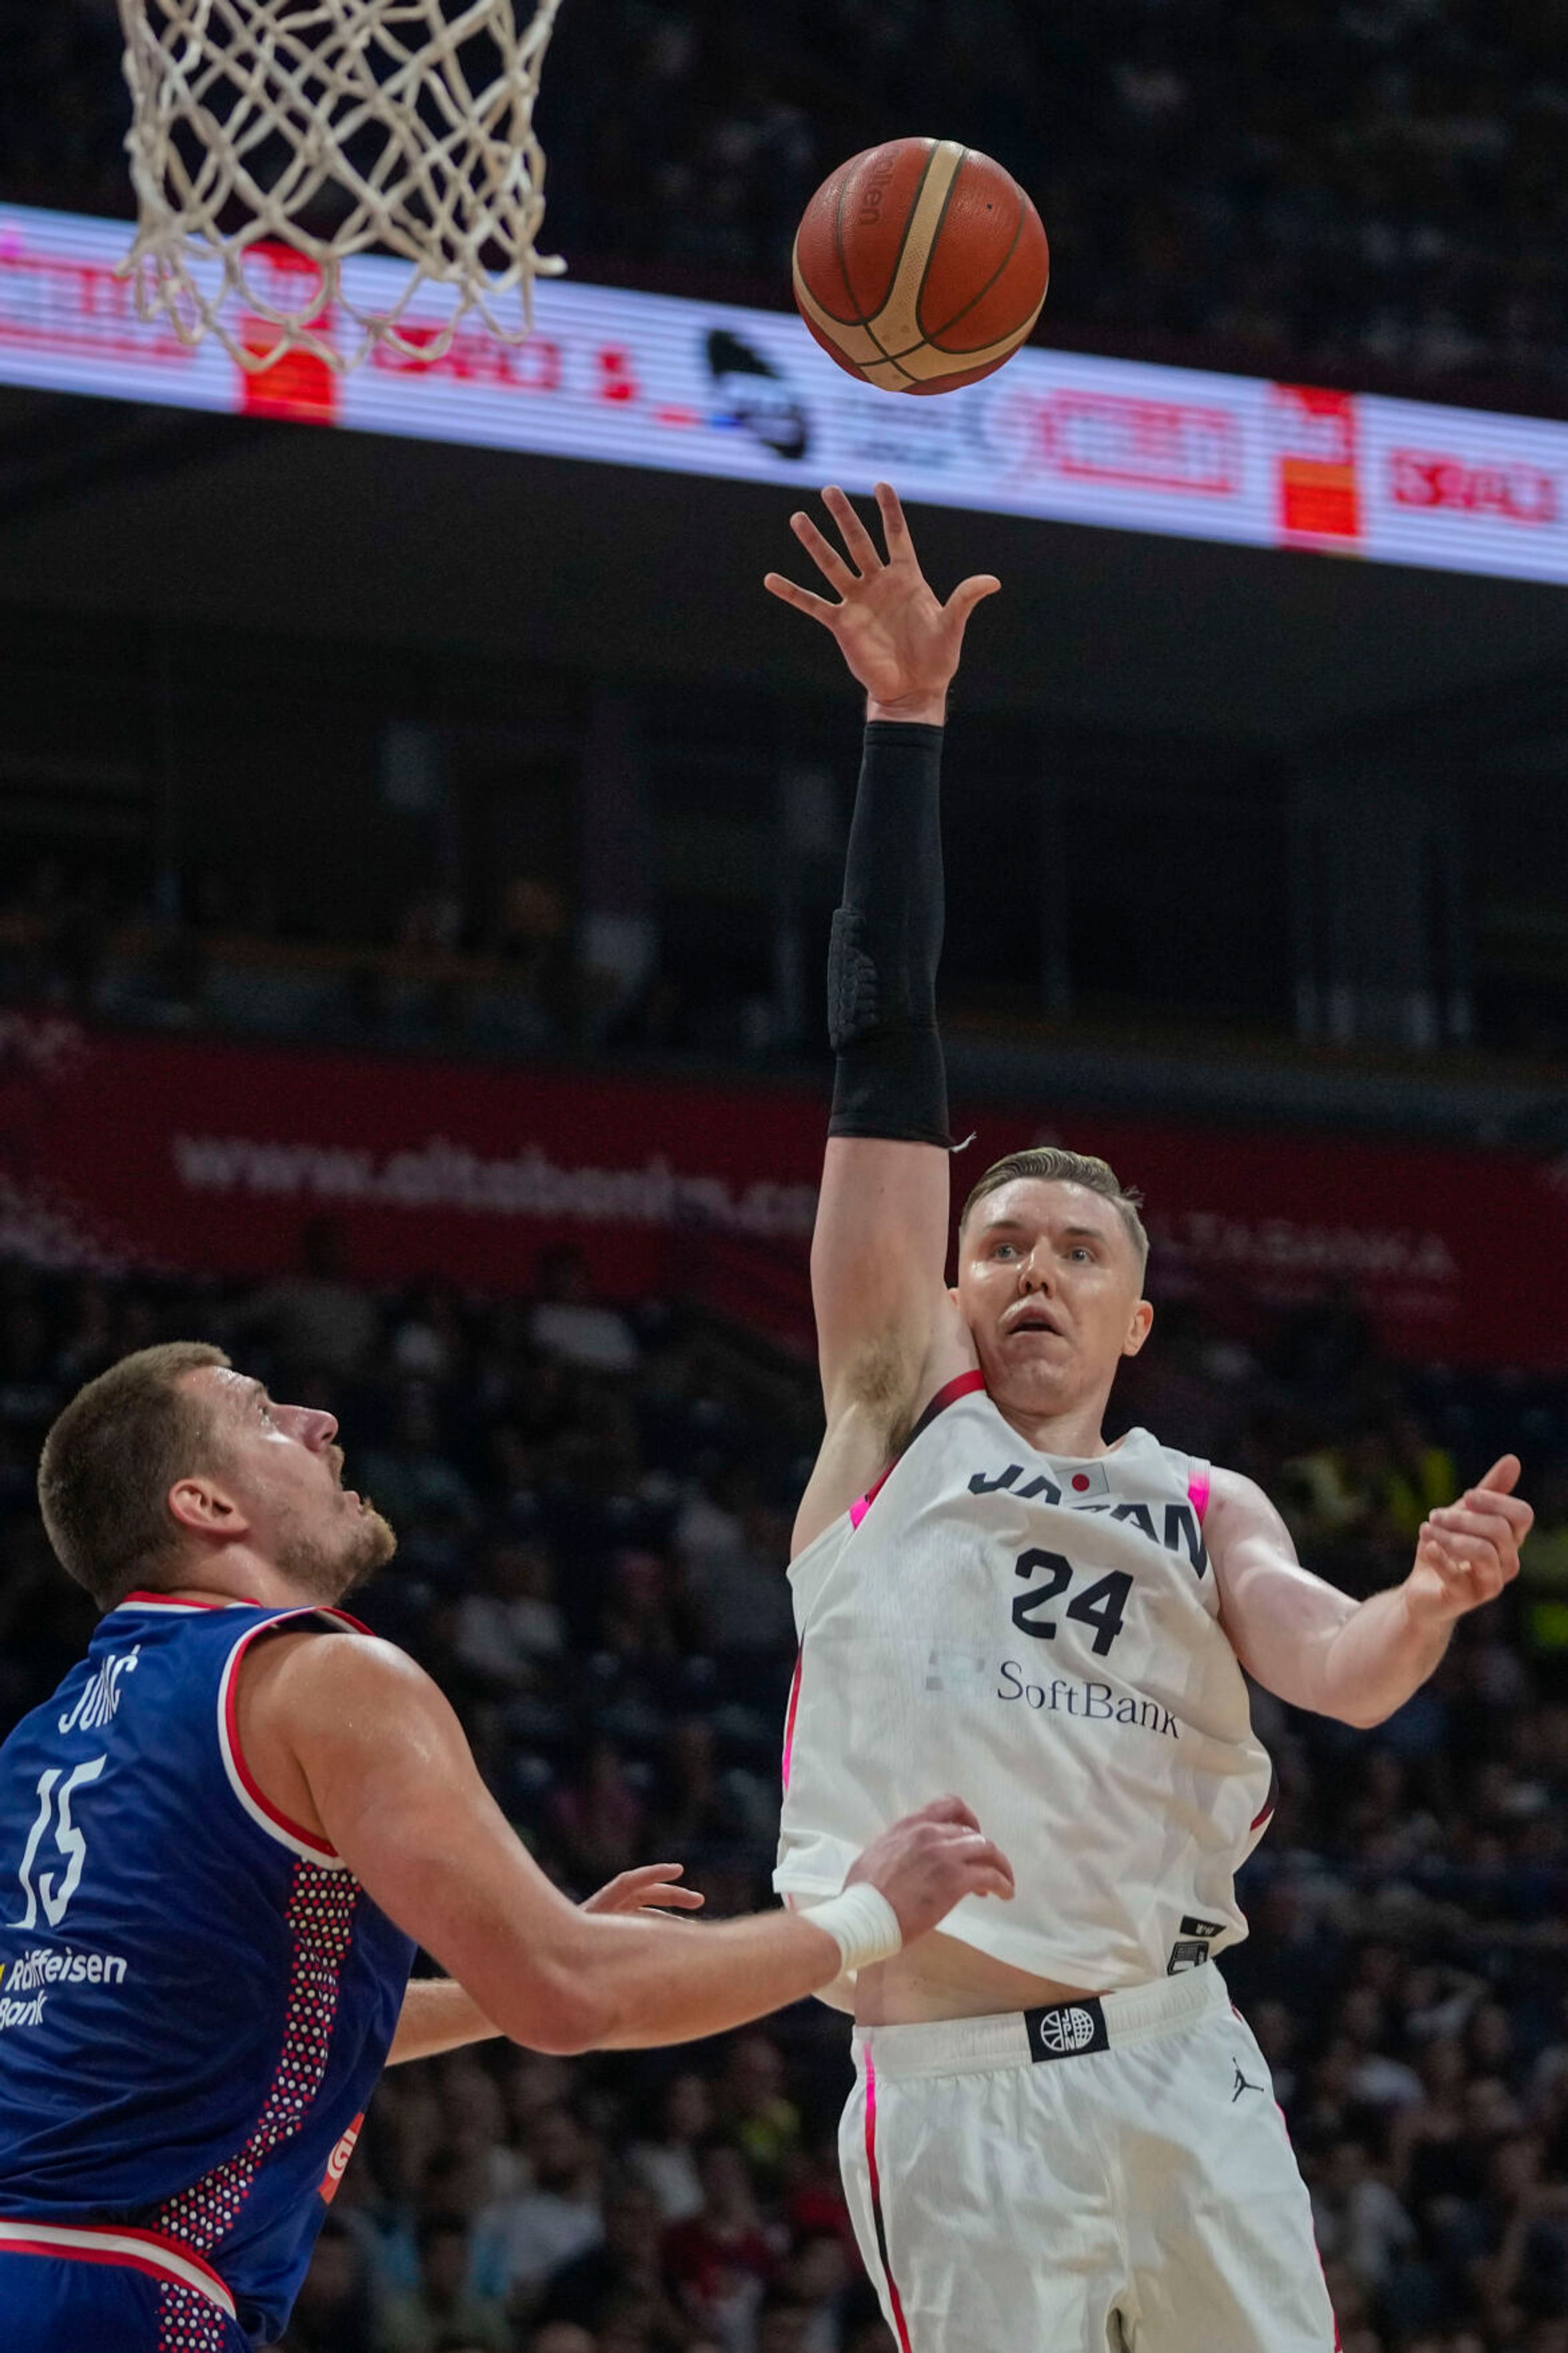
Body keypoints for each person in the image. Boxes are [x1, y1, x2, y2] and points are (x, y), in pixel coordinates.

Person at [764, 480, 1536, 2353]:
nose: (1028, 1264)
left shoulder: (1207, 1497)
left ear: (1134, 1306)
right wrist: (905, 727)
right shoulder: (892, 1414)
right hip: (959, 2084)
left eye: (1072, 1247)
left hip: (1183, 2052)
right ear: (952, 1287)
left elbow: (1337, 1670)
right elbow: (883, 1037)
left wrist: (1422, 1608)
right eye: (998, 1239)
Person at [0, 1342, 1013, 2352]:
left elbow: (226, 2025)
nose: (322, 1422)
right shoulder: (328, 1679)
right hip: (124, 2293)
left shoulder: (39, 1745)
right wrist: (867, 1914)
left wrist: (495, 1978)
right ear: (208, 1506)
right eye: (264, 1412)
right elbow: (572, 1995)